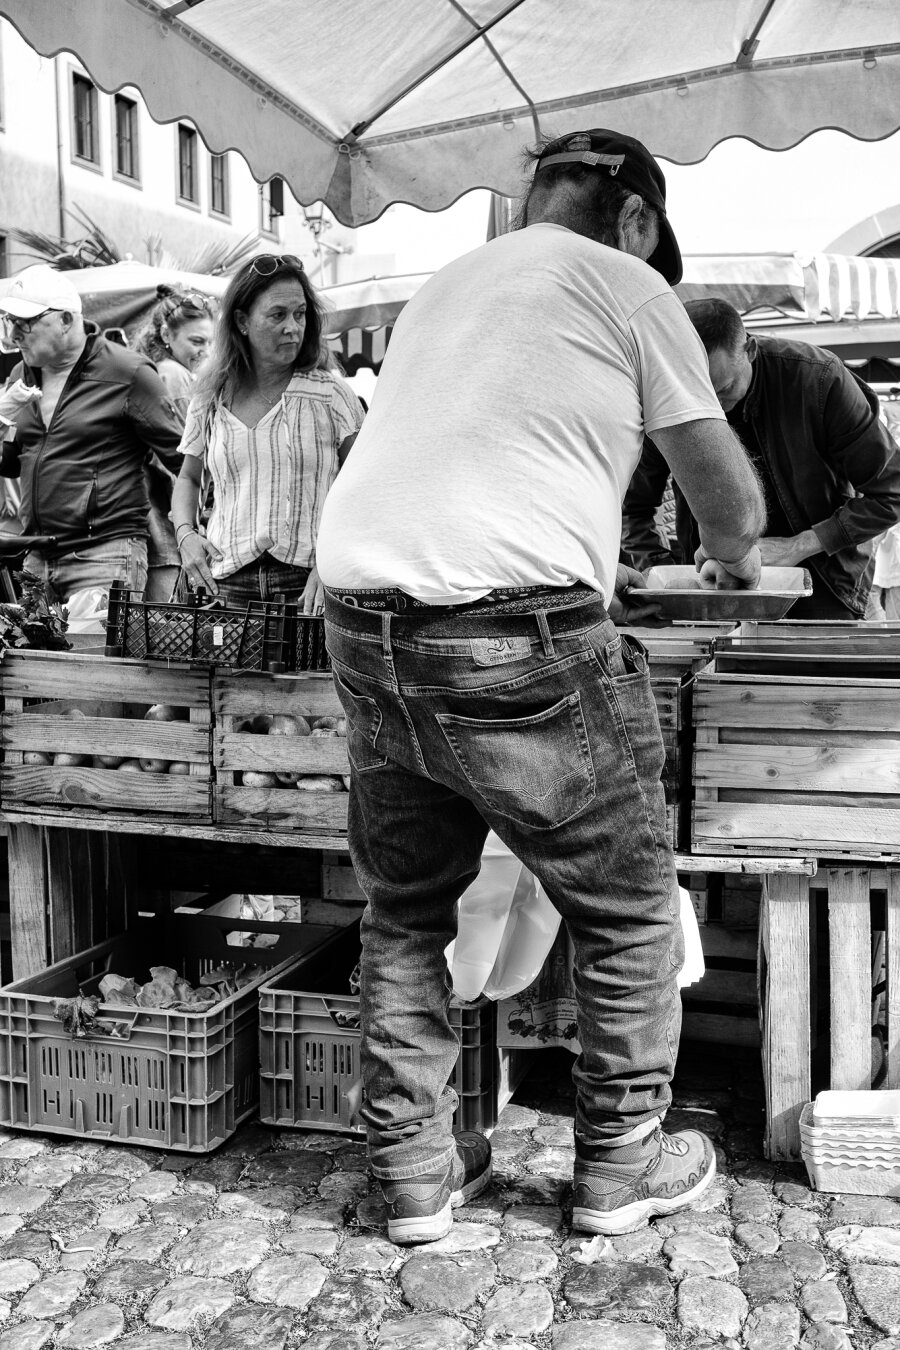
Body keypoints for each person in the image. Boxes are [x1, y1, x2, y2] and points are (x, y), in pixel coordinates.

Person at [316, 128, 766, 1246]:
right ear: (636, 222)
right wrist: (737, 556)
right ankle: (619, 1163)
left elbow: (464, 456)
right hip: (518, 633)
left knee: (406, 911)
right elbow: (732, 506)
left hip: (366, 622)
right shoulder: (628, 280)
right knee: (623, 911)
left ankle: (413, 1174)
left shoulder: (442, 289)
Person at [621, 298, 900, 619]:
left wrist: (798, 546)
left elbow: (891, 493)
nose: (714, 409)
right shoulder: (669, 396)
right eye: (699, 396)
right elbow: (634, 509)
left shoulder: (820, 381)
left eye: (723, 390)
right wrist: (668, 579)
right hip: (712, 594)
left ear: (749, 350)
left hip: (826, 588)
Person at [170, 254, 363, 613]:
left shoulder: (331, 396)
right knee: (221, 672)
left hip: (308, 584)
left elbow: (364, 489)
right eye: (278, 315)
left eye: (300, 314)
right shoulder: (211, 397)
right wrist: (185, 536)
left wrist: (330, 566)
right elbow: (189, 479)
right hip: (224, 581)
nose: (293, 327)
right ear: (242, 321)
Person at [0, 265, 184, 603]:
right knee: (30, 657)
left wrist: (192, 530)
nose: (13, 335)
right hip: (37, 557)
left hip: (103, 554)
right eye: (9, 322)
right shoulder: (20, 374)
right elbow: (9, 463)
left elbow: (182, 456)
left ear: (67, 320)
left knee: (89, 656)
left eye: (25, 323)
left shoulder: (127, 371)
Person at [134, 286, 217, 602]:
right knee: (170, 628)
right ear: (166, 335)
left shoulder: (163, 370)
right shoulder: (173, 375)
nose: (205, 351)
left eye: (210, 342)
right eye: (196, 341)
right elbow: (178, 458)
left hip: (166, 522)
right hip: (168, 525)